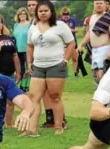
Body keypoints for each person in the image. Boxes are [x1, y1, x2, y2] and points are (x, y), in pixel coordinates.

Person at [24, 0, 75, 136]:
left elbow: (71, 43)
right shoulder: (33, 27)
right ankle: (32, 129)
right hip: (38, 66)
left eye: (46, 10)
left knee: (55, 97)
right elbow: (29, 46)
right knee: (33, 97)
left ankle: (58, 127)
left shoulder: (60, 25)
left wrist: (65, 60)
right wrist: (29, 62)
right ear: (36, 13)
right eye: (40, 11)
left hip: (56, 66)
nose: (43, 13)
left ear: (51, 12)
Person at [78, 0, 110, 83]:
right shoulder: (92, 17)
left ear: (105, 5)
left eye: (101, 3)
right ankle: (102, 94)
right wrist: (81, 44)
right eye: (97, 3)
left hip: (105, 49)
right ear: (94, 5)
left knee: (102, 75)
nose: (99, 5)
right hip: (94, 50)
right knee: (96, 75)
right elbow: (89, 33)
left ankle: (107, 95)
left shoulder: (108, 17)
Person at [13, 7, 31, 92]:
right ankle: (19, 85)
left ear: (26, 15)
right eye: (21, 14)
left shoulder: (30, 24)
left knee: (28, 68)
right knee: (20, 69)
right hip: (17, 50)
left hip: (27, 49)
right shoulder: (16, 25)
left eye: (24, 14)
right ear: (18, 15)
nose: (22, 15)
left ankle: (25, 86)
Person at [60, 7, 79, 78]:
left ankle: (76, 73)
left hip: (73, 41)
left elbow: (76, 30)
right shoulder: (60, 22)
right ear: (62, 15)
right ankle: (65, 74)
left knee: (74, 58)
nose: (66, 16)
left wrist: (69, 29)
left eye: (67, 15)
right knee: (65, 59)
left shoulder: (73, 20)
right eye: (64, 15)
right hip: (64, 42)